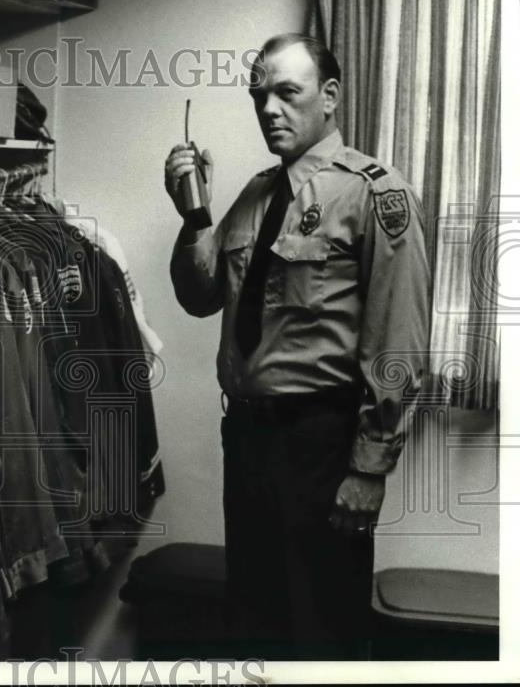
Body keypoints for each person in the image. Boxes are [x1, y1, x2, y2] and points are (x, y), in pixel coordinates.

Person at [164, 33, 430, 659]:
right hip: (250, 440)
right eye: (260, 96)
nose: (269, 110)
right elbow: (201, 296)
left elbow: (398, 342)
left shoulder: (375, 193)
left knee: (322, 633)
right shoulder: (258, 193)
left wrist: (369, 467)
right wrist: (193, 214)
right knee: (256, 626)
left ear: (330, 96)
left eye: (288, 92)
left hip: (321, 443)